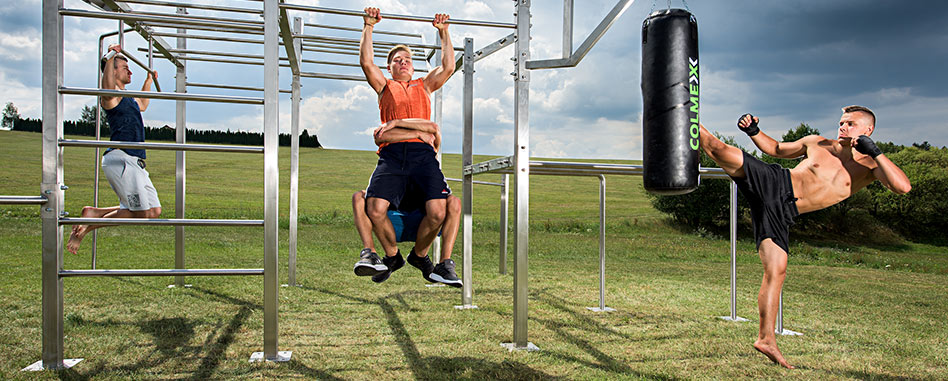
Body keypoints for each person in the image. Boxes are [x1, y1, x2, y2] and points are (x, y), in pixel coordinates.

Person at [699, 106, 911, 369]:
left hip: (783, 212)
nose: (843, 127)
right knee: (717, 149)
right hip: (775, 183)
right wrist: (754, 131)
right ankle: (682, 112)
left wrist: (876, 152)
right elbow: (776, 149)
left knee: (776, 271)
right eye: (841, 122)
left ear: (868, 130)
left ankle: (766, 339)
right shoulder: (818, 143)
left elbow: (902, 187)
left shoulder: (870, 166)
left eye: (851, 123)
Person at [355, 7, 459, 284]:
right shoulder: (384, 87)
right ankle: (391, 256)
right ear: (389, 68)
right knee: (374, 209)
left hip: (422, 156)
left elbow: (449, 67)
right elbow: (366, 62)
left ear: (413, 67)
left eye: (407, 60)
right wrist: (369, 26)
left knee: (438, 211)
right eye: (397, 60)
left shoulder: (424, 85)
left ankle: (419, 255)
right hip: (391, 156)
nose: (403, 62)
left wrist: (444, 32)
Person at [66, 44, 160, 254]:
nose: (130, 71)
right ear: (113, 71)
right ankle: (86, 228)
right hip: (122, 159)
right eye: (125, 67)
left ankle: (93, 213)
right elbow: (107, 87)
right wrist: (110, 57)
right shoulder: (111, 96)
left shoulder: (128, 98)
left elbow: (143, 104)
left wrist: (148, 80)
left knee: (154, 211)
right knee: (140, 213)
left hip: (136, 161)